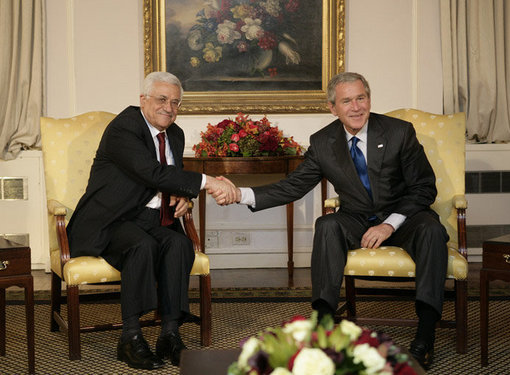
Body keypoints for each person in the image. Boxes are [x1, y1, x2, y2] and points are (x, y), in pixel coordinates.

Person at [216, 72, 448, 370]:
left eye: (361, 98)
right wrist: (239, 194)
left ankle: (425, 334)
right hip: (356, 218)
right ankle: (323, 323)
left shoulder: (399, 132)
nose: (355, 107)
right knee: (327, 225)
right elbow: (293, 186)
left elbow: (424, 188)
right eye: (346, 101)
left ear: (369, 99)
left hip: (404, 217)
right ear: (332, 107)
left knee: (431, 230)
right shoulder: (323, 142)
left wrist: (389, 224)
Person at [66, 71, 238, 370]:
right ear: (143, 99)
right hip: (112, 219)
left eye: (175, 102)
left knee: (179, 245)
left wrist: (185, 198)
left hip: (154, 219)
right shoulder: (124, 128)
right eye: (161, 99)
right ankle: (130, 337)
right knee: (142, 246)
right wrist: (208, 181)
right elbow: (153, 174)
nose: (169, 108)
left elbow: (172, 179)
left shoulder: (175, 133)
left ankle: (169, 334)